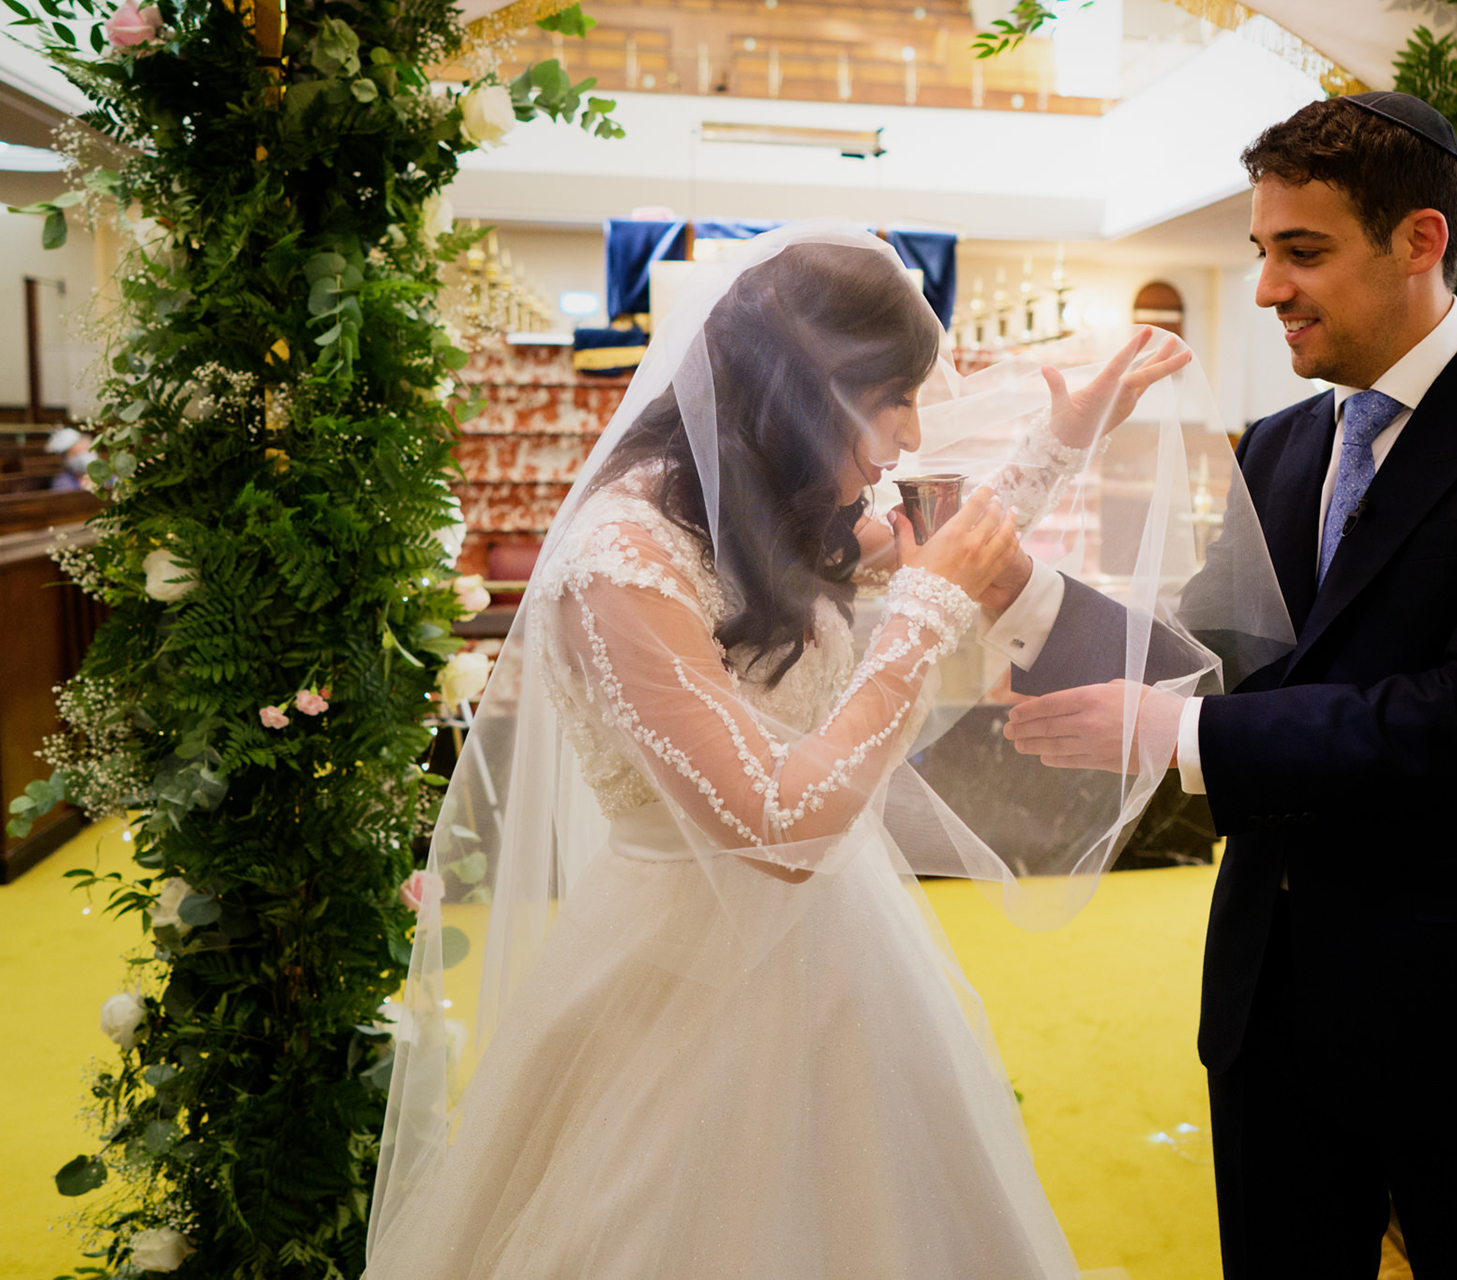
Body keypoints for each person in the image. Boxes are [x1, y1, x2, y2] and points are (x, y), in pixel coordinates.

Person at [364, 225, 1269, 1278]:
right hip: (683, 974)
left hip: (844, 954)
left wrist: (1064, 439)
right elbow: (781, 824)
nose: (908, 436)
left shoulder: (768, 516)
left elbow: (946, 547)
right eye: (893, 402)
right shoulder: (622, 555)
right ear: (806, 392)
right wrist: (924, 617)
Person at [996, 94, 1457, 1277]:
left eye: (1303, 252)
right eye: (1262, 252)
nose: (1266, 288)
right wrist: (1021, 590)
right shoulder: (1284, 443)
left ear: (1418, 241)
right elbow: (1219, 651)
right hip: (1277, 992)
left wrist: (1182, 733)